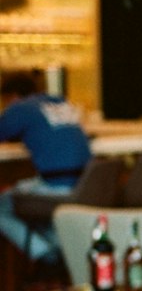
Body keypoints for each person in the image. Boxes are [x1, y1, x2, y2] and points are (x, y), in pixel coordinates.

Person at [0, 72, 92, 261]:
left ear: (13, 96)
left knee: (3, 205)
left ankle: (43, 252)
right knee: (29, 195)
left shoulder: (20, 108)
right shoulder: (61, 102)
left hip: (56, 186)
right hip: (86, 185)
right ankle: (60, 246)